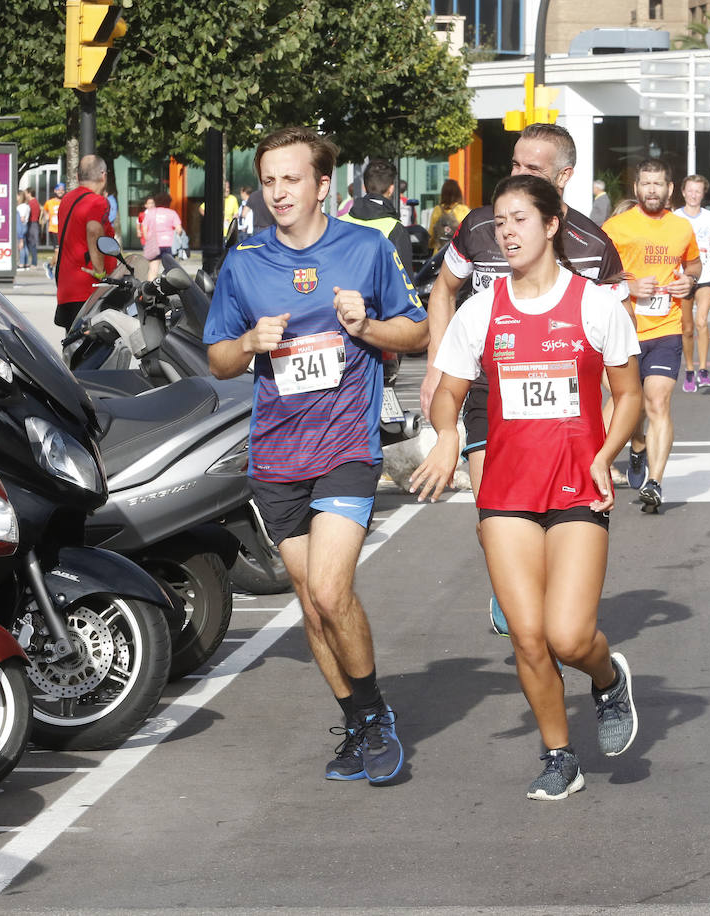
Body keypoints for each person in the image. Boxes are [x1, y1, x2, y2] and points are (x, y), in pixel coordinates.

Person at [204, 125, 428, 785]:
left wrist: (366, 326)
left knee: (332, 591)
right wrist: (250, 343)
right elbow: (216, 360)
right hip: (276, 452)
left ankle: (376, 714)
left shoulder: (365, 249)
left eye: (291, 179)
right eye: (268, 180)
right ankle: (356, 720)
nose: (278, 192)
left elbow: (415, 330)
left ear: (322, 184)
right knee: (308, 602)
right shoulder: (244, 262)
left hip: (345, 443)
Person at [409, 174, 642, 800]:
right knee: (526, 635)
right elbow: (450, 392)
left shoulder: (594, 304)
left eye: (519, 220)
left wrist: (607, 453)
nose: (506, 232)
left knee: (569, 636)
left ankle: (605, 678)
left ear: (551, 225)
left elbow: (629, 395)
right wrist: (450, 436)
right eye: (499, 222)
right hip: (506, 491)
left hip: (576, 488)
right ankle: (560, 755)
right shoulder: (480, 310)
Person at [419, 122, 625, 638]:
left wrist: (603, 432)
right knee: (493, 508)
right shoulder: (477, 227)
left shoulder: (594, 247)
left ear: (565, 176)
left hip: (563, 408)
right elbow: (443, 292)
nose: (517, 174)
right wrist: (437, 368)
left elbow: (610, 351)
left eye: (531, 169)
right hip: (489, 387)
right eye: (514, 164)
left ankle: (553, 603)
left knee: (557, 528)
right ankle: (511, 582)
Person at [603, 158, 699, 513]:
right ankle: (638, 441)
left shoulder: (681, 228)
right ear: (636, 188)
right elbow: (595, 274)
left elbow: (694, 264)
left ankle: (655, 483)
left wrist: (689, 281)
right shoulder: (615, 227)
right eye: (646, 184)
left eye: (658, 184)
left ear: (669, 189)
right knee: (625, 404)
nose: (652, 190)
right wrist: (629, 284)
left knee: (657, 402)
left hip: (665, 328)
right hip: (623, 329)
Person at [52, 155, 117, 329]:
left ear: (78, 176)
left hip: (68, 288)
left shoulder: (66, 200)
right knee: (96, 350)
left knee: (75, 348)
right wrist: (100, 271)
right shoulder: (97, 202)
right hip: (89, 289)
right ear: (103, 175)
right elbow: (94, 231)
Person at [674, 174, 710, 391]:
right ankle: (690, 370)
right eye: (690, 190)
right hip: (682, 277)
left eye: (698, 191)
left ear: (703, 194)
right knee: (687, 328)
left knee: (701, 321)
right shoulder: (675, 218)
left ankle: (703, 369)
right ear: (683, 192)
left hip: (707, 275)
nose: (694, 195)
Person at [339, 158, 413, 269]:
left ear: (364, 187)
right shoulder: (394, 229)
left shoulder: (339, 223)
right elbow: (404, 281)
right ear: (391, 189)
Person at [140, 190, 183, 281]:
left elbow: (144, 227)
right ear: (169, 202)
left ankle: (150, 290)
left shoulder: (150, 212)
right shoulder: (172, 213)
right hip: (169, 244)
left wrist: (148, 239)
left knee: (153, 269)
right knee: (170, 269)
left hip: (154, 244)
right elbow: (179, 230)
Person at [427, 178, 469, 254]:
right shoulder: (463, 210)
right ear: (458, 193)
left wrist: (430, 245)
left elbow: (431, 234)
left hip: (438, 255)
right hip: (457, 255)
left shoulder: (437, 210)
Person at [41, 182, 65, 278]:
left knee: (61, 253)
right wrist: (46, 216)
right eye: (58, 189)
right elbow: (44, 209)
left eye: (62, 190)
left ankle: (50, 266)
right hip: (53, 229)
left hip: (62, 230)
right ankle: (50, 266)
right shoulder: (50, 202)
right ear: (55, 190)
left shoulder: (65, 201)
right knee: (58, 251)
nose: (60, 191)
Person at [24, 188, 41, 267]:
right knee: (31, 243)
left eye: (26, 193)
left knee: (31, 243)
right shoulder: (35, 202)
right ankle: (32, 262)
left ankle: (33, 262)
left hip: (32, 223)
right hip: (34, 223)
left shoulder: (31, 203)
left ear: (29, 193)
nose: (25, 195)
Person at [15, 189, 31, 269]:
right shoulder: (27, 206)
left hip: (21, 226)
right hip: (25, 226)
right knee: (24, 246)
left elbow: (21, 218)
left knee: (21, 245)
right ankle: (26, 262)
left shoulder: (20, 207)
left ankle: (21, 263)